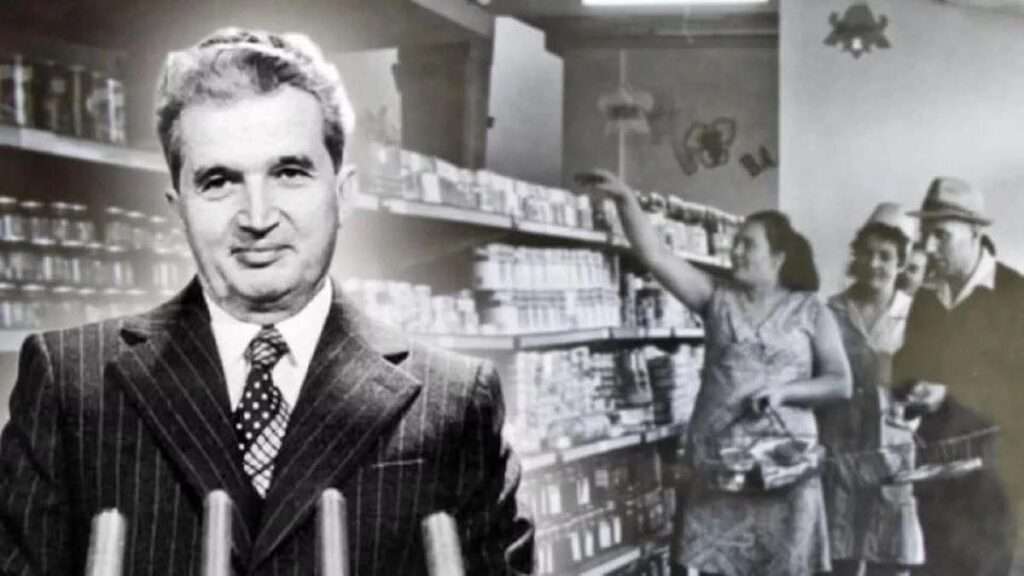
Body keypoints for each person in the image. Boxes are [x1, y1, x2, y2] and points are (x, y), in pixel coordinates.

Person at [0, 28, 533, 575]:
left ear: (343, 193)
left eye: (289, 173)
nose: (257, 218)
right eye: (218, 181)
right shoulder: (69, 385)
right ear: (178, 208)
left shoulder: (454, 402)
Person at [581, 169, 852, 576]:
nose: (735, 251)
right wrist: (625, 199)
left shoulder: (812, 310)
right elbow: (656, 256)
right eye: (736, 242)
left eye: (748, 244)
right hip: (718, 463)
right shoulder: (716, 297)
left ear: (778, 258)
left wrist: (785, 392)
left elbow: (840, 382)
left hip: (784, 466)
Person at [893, 176, 1024, 576]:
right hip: (932, 482)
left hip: (995, 485)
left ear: (975, 233)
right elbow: (905, 369)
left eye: (941, 236)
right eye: (925, 235)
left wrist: (947, 393)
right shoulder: (925, 299)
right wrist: (907, 392)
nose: (930, 248)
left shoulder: (1015, 294)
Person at [819, 203, 923, 576]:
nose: (874, 263)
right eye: (867, 253)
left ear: (901, 262)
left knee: (889, 554)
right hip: (840, 443)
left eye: (885, 256)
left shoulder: (916, 314)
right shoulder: (832, 311)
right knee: (841, 552)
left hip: (891, 445)